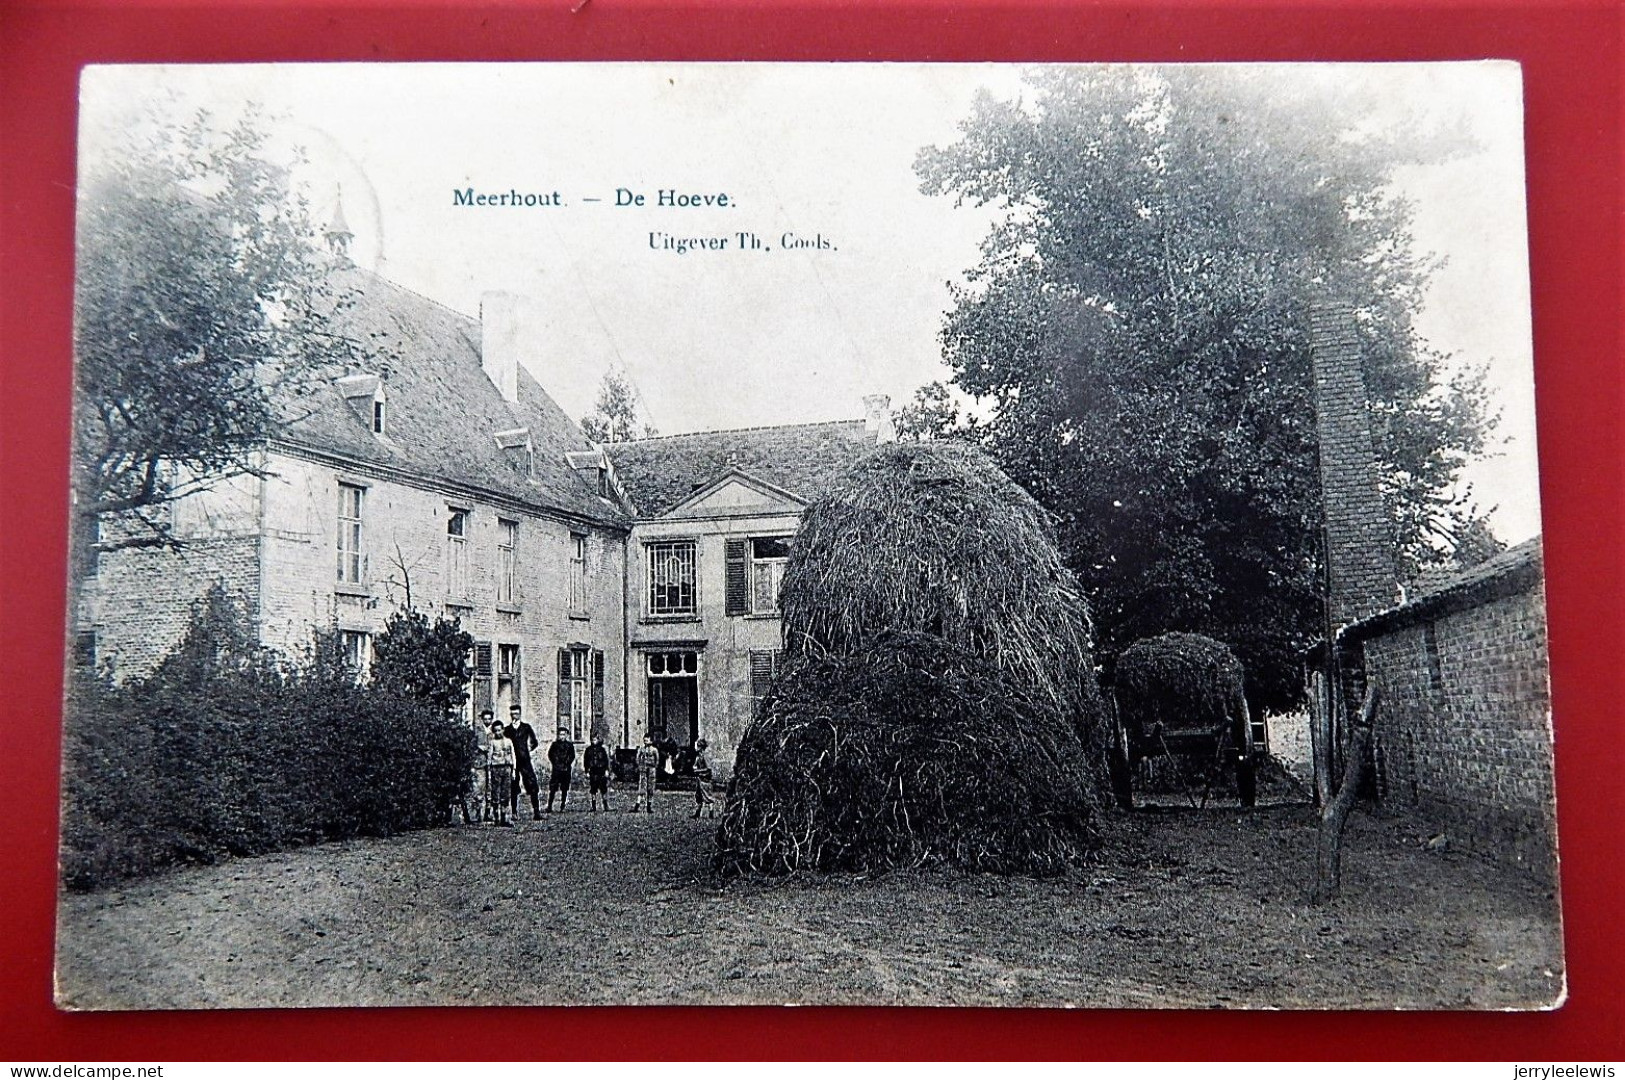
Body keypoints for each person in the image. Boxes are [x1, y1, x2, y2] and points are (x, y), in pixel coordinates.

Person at [504, 704, 541, 821]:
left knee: (532, 784)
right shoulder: (507, 730)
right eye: (512, 714)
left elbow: (535, 742)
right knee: (513, 786)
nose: (514, 716)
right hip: (514, 761)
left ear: (520, 714)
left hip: (525, 760)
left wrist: (527, 750)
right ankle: (514, 812)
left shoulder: (526, 727)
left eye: (516, 713)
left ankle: (536, 812)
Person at [483, 714, 514, 826]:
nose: (498, 733)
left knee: (506, 794)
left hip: (507, 768)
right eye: (495, 731)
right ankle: (496, 818)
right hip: (496, 768)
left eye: (500, 730)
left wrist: (513, 770)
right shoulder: (492, 742)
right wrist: (489, 770)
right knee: (496, 793)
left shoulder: (509, 741)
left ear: (503, 730)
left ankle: (505, 818)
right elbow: (490, 757)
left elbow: (513, 755)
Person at [546, 727, 576, 811]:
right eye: (560, 734)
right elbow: (550, 755)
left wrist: (567, 762)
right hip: (556, 769)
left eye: (563, 734)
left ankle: (562, 805)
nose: (562, 736)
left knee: (565, 788)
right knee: (553, 788)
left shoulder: (569, 745)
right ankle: (549, 806)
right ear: (558, 735)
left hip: (566, 769)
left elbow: (572, 756)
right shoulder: (555, 745)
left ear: (566, 735)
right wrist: (556, 762)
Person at [584, 734, 612, 812]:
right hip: (593, 771)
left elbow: (606, 761)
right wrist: (587, 771)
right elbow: (586, 761)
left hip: (601, 771)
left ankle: (605, 805)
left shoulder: (602, 750)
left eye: (595, 740)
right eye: (592, 740)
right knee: (593, 789)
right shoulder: (588, 750)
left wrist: (606, 770)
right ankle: (593, 806)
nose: (594, 741)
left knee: (603, 788)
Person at [691, 738, 716, 819]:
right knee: (698, 796)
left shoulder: (705, 756)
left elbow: (708, 768)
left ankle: (711, 813)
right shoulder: (699, 756)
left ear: (701, 747)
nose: (696, 748)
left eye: (698, 746)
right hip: (700, 778)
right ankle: (697, 812)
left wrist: (698, 770)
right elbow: (695, 765)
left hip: (706, 779)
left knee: (708, 797)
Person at [634, 733, 660, 814]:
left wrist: (654, 766)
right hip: (644, 769)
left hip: (651, 769)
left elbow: (657, 759)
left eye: (647, 740)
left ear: (651, 740)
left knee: (651, 788)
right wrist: (640, 766)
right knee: (642, 787)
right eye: (644, 740)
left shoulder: (654, 750)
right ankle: (637, 805)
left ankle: (649, 806)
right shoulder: (641, 749)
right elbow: (637, 758)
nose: (645, 742)